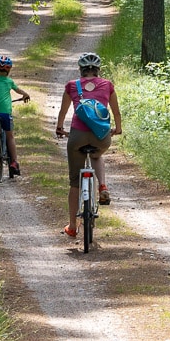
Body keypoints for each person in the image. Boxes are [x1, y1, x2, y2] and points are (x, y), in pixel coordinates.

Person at [53, 51, 122, 238]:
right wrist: (118, 129)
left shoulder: (72, 86)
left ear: (81, 69)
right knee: (97, 155)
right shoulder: (107, 85)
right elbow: (115, 112)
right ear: (98, 70)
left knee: (75, 183)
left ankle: (73, 226)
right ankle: (103, 186)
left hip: (77, 136)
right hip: (102, 136)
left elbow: (63, 111)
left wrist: (60, 128)